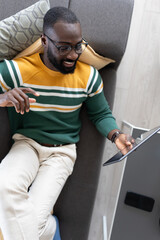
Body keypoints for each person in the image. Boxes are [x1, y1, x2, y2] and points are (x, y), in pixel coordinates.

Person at [0, 6, 134, 240]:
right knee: (3, 187)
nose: (73, 55)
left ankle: (46, 226)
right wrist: (2, 98)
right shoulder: (17, 71)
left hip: (61, 154)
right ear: (44, 41)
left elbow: (100, 114)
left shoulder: (89, 76)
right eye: (64, 48)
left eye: (78, 46)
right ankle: (49, 228)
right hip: (26, 145)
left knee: (31, 219)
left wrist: (115, 135)